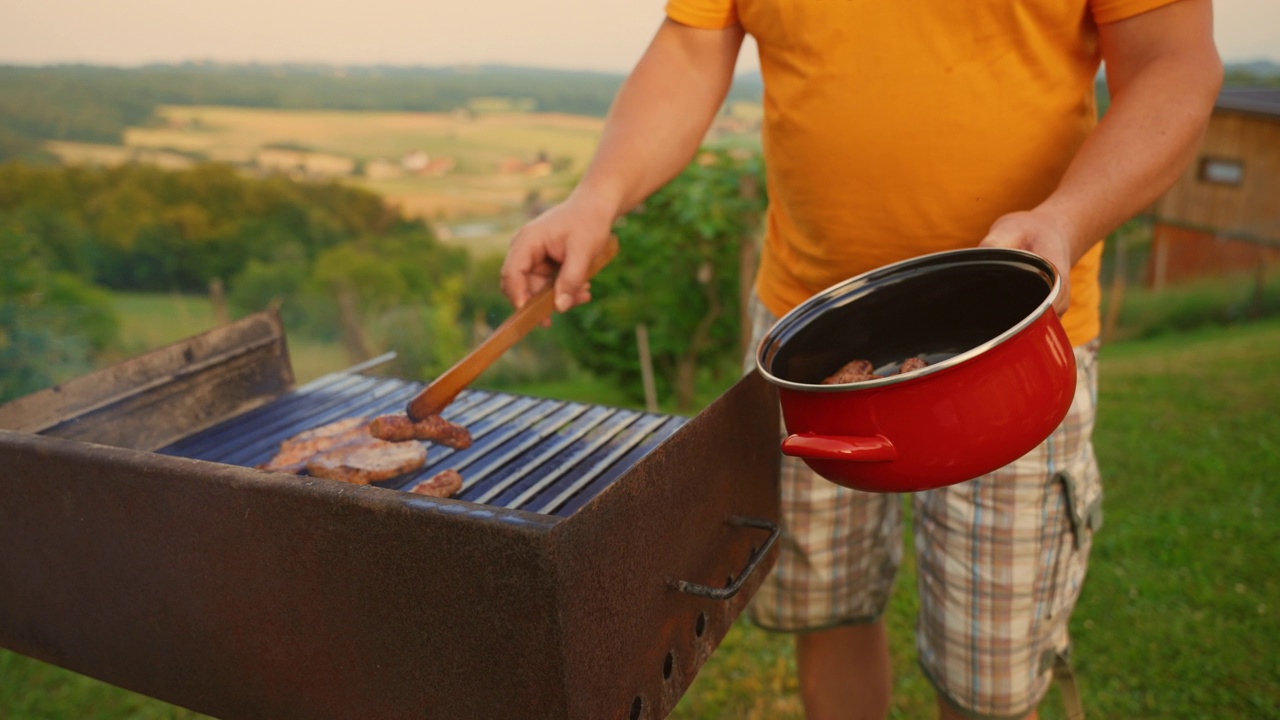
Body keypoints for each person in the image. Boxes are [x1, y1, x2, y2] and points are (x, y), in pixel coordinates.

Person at [500, 0, 1221, 717]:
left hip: (1012, 340)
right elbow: (692, 50)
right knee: (830, 614)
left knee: (990, 685)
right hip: (809, 340)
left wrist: (1067, 217)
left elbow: (1172, 58)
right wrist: (598, 196)